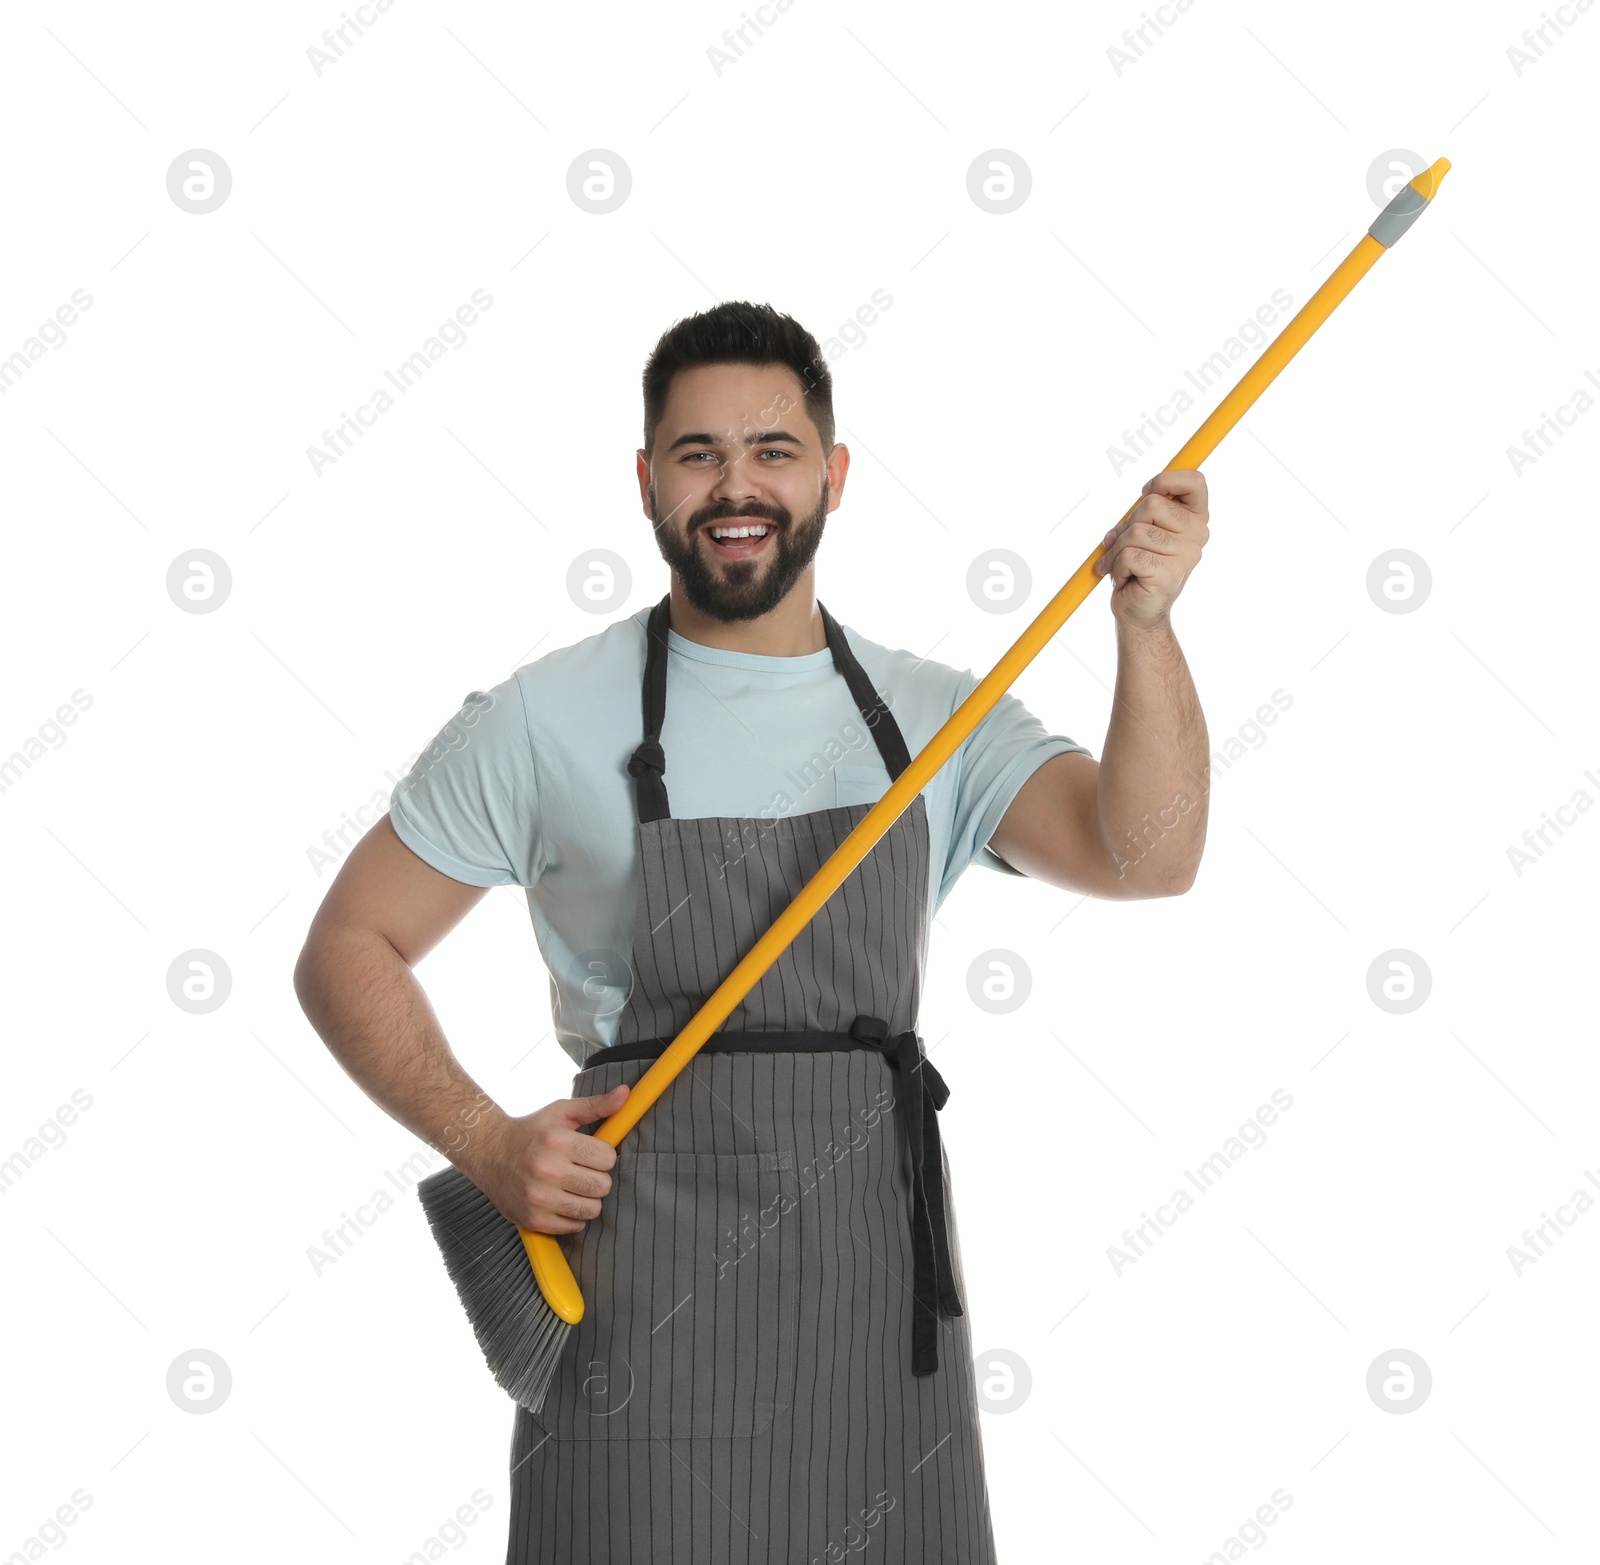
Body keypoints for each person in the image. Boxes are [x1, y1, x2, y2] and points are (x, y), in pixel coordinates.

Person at [294, 300, 1211, 1564]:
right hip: (636, 1311)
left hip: (873, 1312)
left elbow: (1149, 852)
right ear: (646, 482)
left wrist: (1145, 628)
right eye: (697, 453)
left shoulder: (933, 719)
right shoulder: (540, 718)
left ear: (833, 474)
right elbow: (347, 942)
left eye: (774, 451)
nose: (738, 486)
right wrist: (487, 1141)